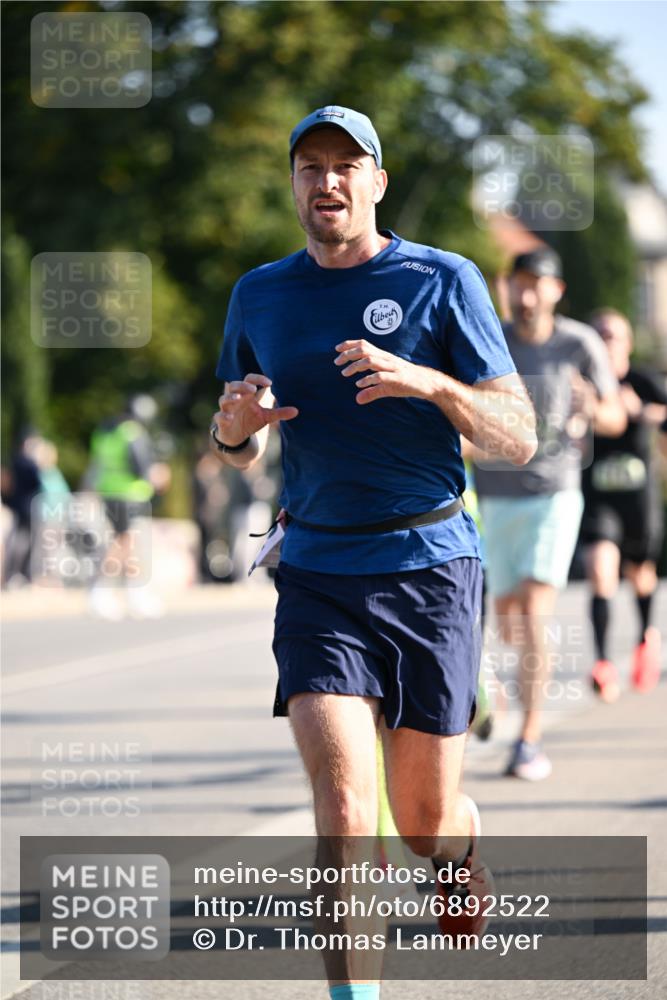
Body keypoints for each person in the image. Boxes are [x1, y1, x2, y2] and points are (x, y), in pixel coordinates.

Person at [211, 105, 536, 998]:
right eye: (310, 167)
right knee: (348, 811)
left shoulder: (443, 279)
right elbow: (241, 432)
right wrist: (233, 431)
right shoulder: (260, 294)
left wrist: (426, 381)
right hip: (318, 572)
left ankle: (456, 850)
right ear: (293, 184)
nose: (328, 182)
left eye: (346, 166)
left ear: (376, 183)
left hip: (431, 567)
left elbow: (518, 434)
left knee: (422, 819)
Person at [473, 249, 626, 781]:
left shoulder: (579, 343)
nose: (527, 294)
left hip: (554, 493)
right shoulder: (492, 340)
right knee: (511, 621)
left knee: (535, 611)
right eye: (519, 283)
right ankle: (502, 693)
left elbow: (616, 414)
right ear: (508, 287)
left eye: (538, 284)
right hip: (495, 494)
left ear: (557, 290)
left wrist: (591, 406)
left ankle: (529, 739)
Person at [581, 308, 667, 700]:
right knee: (601, 568)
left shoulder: (643, 380)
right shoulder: (584, 382)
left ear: (628, 344)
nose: (606, 342)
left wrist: (641, 412)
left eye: (613, 335)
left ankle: (646, 640)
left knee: (640, 574)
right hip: (599, 497)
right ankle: (602, 662)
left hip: (639, 497)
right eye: (598, 335)